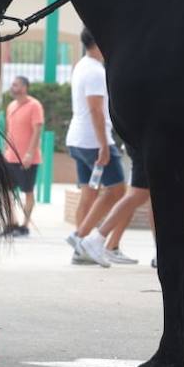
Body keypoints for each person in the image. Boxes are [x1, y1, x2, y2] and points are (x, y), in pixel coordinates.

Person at [65, 29, 125, 268]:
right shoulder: (96, 72)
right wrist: (103, 145)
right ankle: (82, 238)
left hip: (77, 140)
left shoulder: (81, 66)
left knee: (89, 194)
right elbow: (96, 110)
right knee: (118, 192)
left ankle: (79, 247)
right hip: (93, 141)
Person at [2, 75, 44, 237]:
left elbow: (37, 130)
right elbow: (9, 130)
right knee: (6, 192)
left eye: (16, 85)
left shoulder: (35, 106)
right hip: (10, 157)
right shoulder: (11, 106)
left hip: (28, 159)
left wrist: (29, 154)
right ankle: (12, 223)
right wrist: (6, 149)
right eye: (12, 84)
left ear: (25, 87)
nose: (13, 87)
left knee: (28, 191)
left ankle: (24, 226)